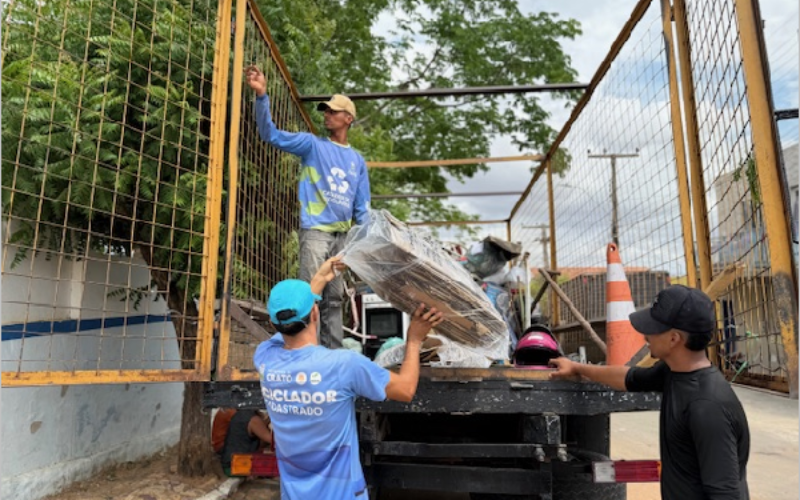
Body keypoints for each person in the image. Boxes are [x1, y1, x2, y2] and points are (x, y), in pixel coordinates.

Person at [254, 256, 443, 499]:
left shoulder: (265, 358)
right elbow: (405, 389)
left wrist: (319, 280)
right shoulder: (343, 365)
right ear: (315, 312)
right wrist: (415, 340)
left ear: (273, 322)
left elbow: (286, 330)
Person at [550, 285, 750, 500]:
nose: (645, 335)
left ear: (674, 339)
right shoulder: (674, 372)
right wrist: (578, 368)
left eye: (653, 328)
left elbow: (726, 494)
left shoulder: (706, 407)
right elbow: (629, 378)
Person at [245, 65, 370, 350]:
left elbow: (362, 208)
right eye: (325, 111)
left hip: (342, 239)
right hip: (315, 232)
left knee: (334, 298)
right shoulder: (311, 144)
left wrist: (362, 242)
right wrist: (262, 96)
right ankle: (305, 353)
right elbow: (270, 135)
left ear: (348, 118)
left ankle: (333, 357)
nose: (326, 114)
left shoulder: (357, 161)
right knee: (309, 295)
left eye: (333, 111)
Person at [219, 409, 274, 477]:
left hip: (231, 464)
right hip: (237, 466)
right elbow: (272, 440)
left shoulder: (241, 415)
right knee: (280, 464)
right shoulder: (253, 420)